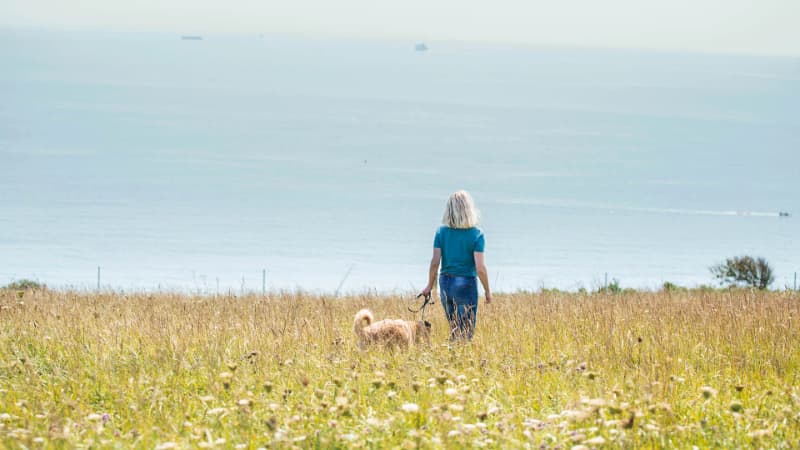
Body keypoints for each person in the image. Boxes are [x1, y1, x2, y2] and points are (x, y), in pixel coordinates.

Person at [420, 190, 491, 341]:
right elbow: (480, 268)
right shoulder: (477, 234)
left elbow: (435, 263)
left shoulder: (441, 232)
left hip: (445, 282)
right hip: (466, 284)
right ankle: (460, 361)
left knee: (455, 328)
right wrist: (487, 291)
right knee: (465, 333)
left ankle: (452, 359)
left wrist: (430, 286)